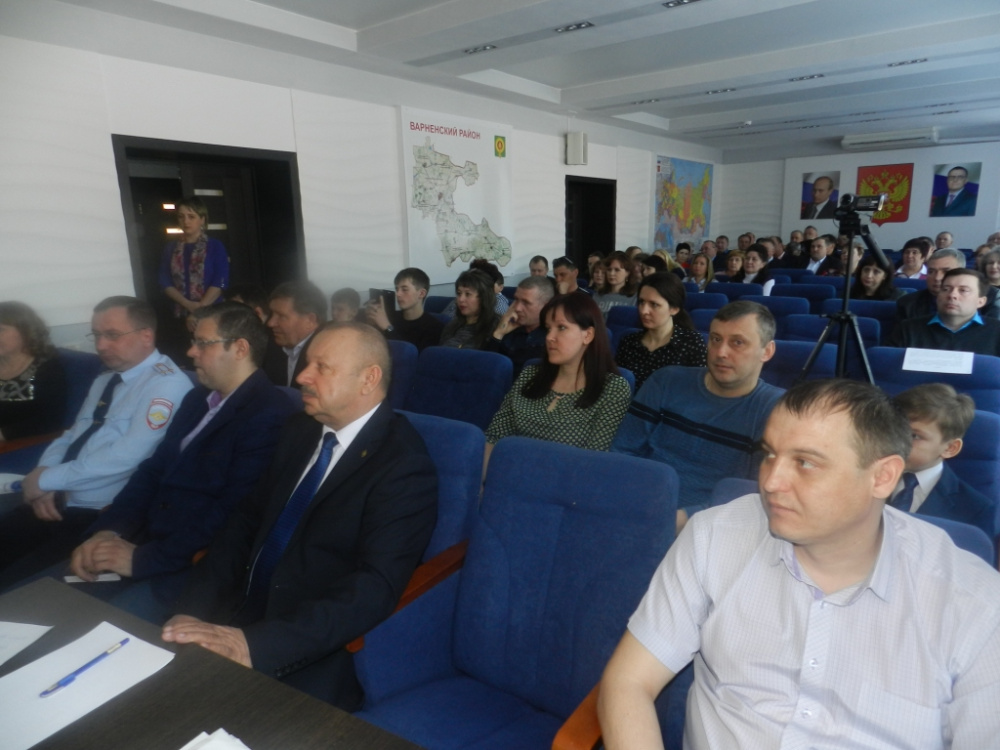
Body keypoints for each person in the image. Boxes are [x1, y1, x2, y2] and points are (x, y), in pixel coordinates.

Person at [599, 378, 1000, 750]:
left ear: (883, 477)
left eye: (805, 462)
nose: (771, 482)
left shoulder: (975, 605)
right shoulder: (715, 536)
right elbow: (628, 682)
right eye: (770, 455)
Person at [162, 322, 437, 709]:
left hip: (305, 644)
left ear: (368, 379)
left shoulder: (404, 466)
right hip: (236, 608)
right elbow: (243, 524)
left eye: (322, 367)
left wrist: (254, 645)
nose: (302, 377)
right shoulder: (300, 430)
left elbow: (373, 588)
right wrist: (191, 611)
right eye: (307, 363)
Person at [63, 303, 297, 622]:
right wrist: (109, 530)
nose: (190, 352)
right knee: (54, 602)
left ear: (240, 349)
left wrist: (144, 559)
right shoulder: (197, 399)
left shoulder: (269, 414)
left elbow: (232, 513)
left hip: (189, 564)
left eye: (203, 343)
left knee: (94, 628)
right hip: (143, 538)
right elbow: (153, 470)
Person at [0, 296, 193, 589]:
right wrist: (44, 476)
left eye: (112, 335)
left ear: (146, 335)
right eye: (97, 335)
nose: (101, 346)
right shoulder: (107, 379)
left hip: (97, 514)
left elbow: (128, 456)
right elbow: (73, 433)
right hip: (57, 497)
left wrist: (47, 480)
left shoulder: (166, 385)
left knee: (17, 588)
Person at [612, 301, 782, 533]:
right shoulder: (665, 381)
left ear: (767, 351)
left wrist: (687, 519)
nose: (721, 352)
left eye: (738, 342)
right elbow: (623, 452)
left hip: (715, 528)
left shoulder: (775, 411)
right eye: (715, 339)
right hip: (636, 507)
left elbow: (756, 492)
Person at [484, 293, 630, 467]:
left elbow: (593, 460)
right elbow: (494, 437)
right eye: (548, 328)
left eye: (561, 328)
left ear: (588, 335)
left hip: (564, 479)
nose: (549, 337)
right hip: (508, 472)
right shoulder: (530, 375)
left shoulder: (613, 389)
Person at [891, 384, 996, 540]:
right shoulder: (865, 477)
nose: (897, 440)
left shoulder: (975, 510)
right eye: (894, 430)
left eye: (915, 436)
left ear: (950, 448)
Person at [158, 197, 230, 360]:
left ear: (202, 219)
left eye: (191, 216)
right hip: (180, 315)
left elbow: (220, 281)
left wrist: (198, 311)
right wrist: (189, 305)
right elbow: (164, 282)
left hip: (212, 313)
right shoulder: (171, 248)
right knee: (184, 357)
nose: (186, 221)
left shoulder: (215, 246)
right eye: (181, 217)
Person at [615, 273, 707, 392]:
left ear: (674, 309)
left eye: (654, 304)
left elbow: (697, 391)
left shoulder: (692, 343)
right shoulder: (628, 342)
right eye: (641, 302)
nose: (644, 311)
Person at [889, 268, 1000, 356]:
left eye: (963, 290)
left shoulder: (996, 331)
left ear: (980, 301)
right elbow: (888, 370)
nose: (952, 295)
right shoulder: (908, 328)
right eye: (946, 289)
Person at [0, 302, 68, 442]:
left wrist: (3, 435)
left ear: (25, 331)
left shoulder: (47, 369)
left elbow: (50, 421)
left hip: (19, 445)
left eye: (1, 329)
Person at [262, 280, 327, 388]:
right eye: (272, 314)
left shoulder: (328, 359)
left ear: (310, 320)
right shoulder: (271, 346)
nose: (270, 323)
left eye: (281, 316)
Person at [485, 275, 554, 374]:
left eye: (526, 303)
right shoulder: (508, 328)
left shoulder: (552, 337)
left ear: (546, 306)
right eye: (516, 300)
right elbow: (485, 368)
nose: (517, 308)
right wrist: (498, 333)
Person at [365, 267, 444, 352]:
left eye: (404, 289)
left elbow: (412, 355)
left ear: (421, 293)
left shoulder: (435, 327)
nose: (398, 294)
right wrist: (371, 324)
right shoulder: (390, 317)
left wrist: (388, 327)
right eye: (397, 289)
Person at [897, 247, 965, 321]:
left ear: (962, 274)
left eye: (946, 272)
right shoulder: (907, 304)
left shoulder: (973, 303)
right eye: (931, 272)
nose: (937, 278)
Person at [439, 269, 500, 349]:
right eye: (459, 293)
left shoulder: (495, 327)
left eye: (468, 294)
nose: (461, 299)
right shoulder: (452, 325)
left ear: (483, 297)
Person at [592, 251, 638, 317]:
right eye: (609, 270)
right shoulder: (597, 296)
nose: (611, 273)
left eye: (617, 270)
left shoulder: (634, 298)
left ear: (627, 273)